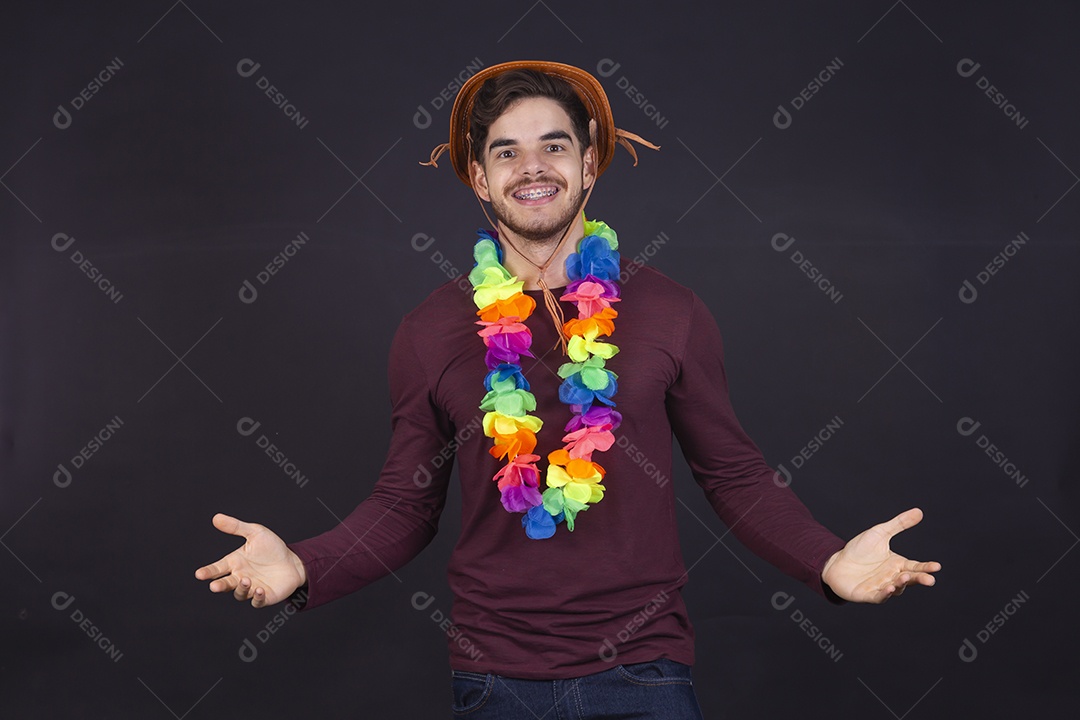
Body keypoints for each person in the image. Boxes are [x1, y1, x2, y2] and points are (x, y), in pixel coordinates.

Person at [195, 61, 941, 718]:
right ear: (480, 178)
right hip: (494, 681)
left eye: (554, 144)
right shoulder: (428, 331)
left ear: (589, 164)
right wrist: (303, 565)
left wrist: (829, 563)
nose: (533, 166)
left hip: (649, 674)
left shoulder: (671, 312)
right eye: (506, 151)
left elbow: (734, 474)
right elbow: (404, 503)